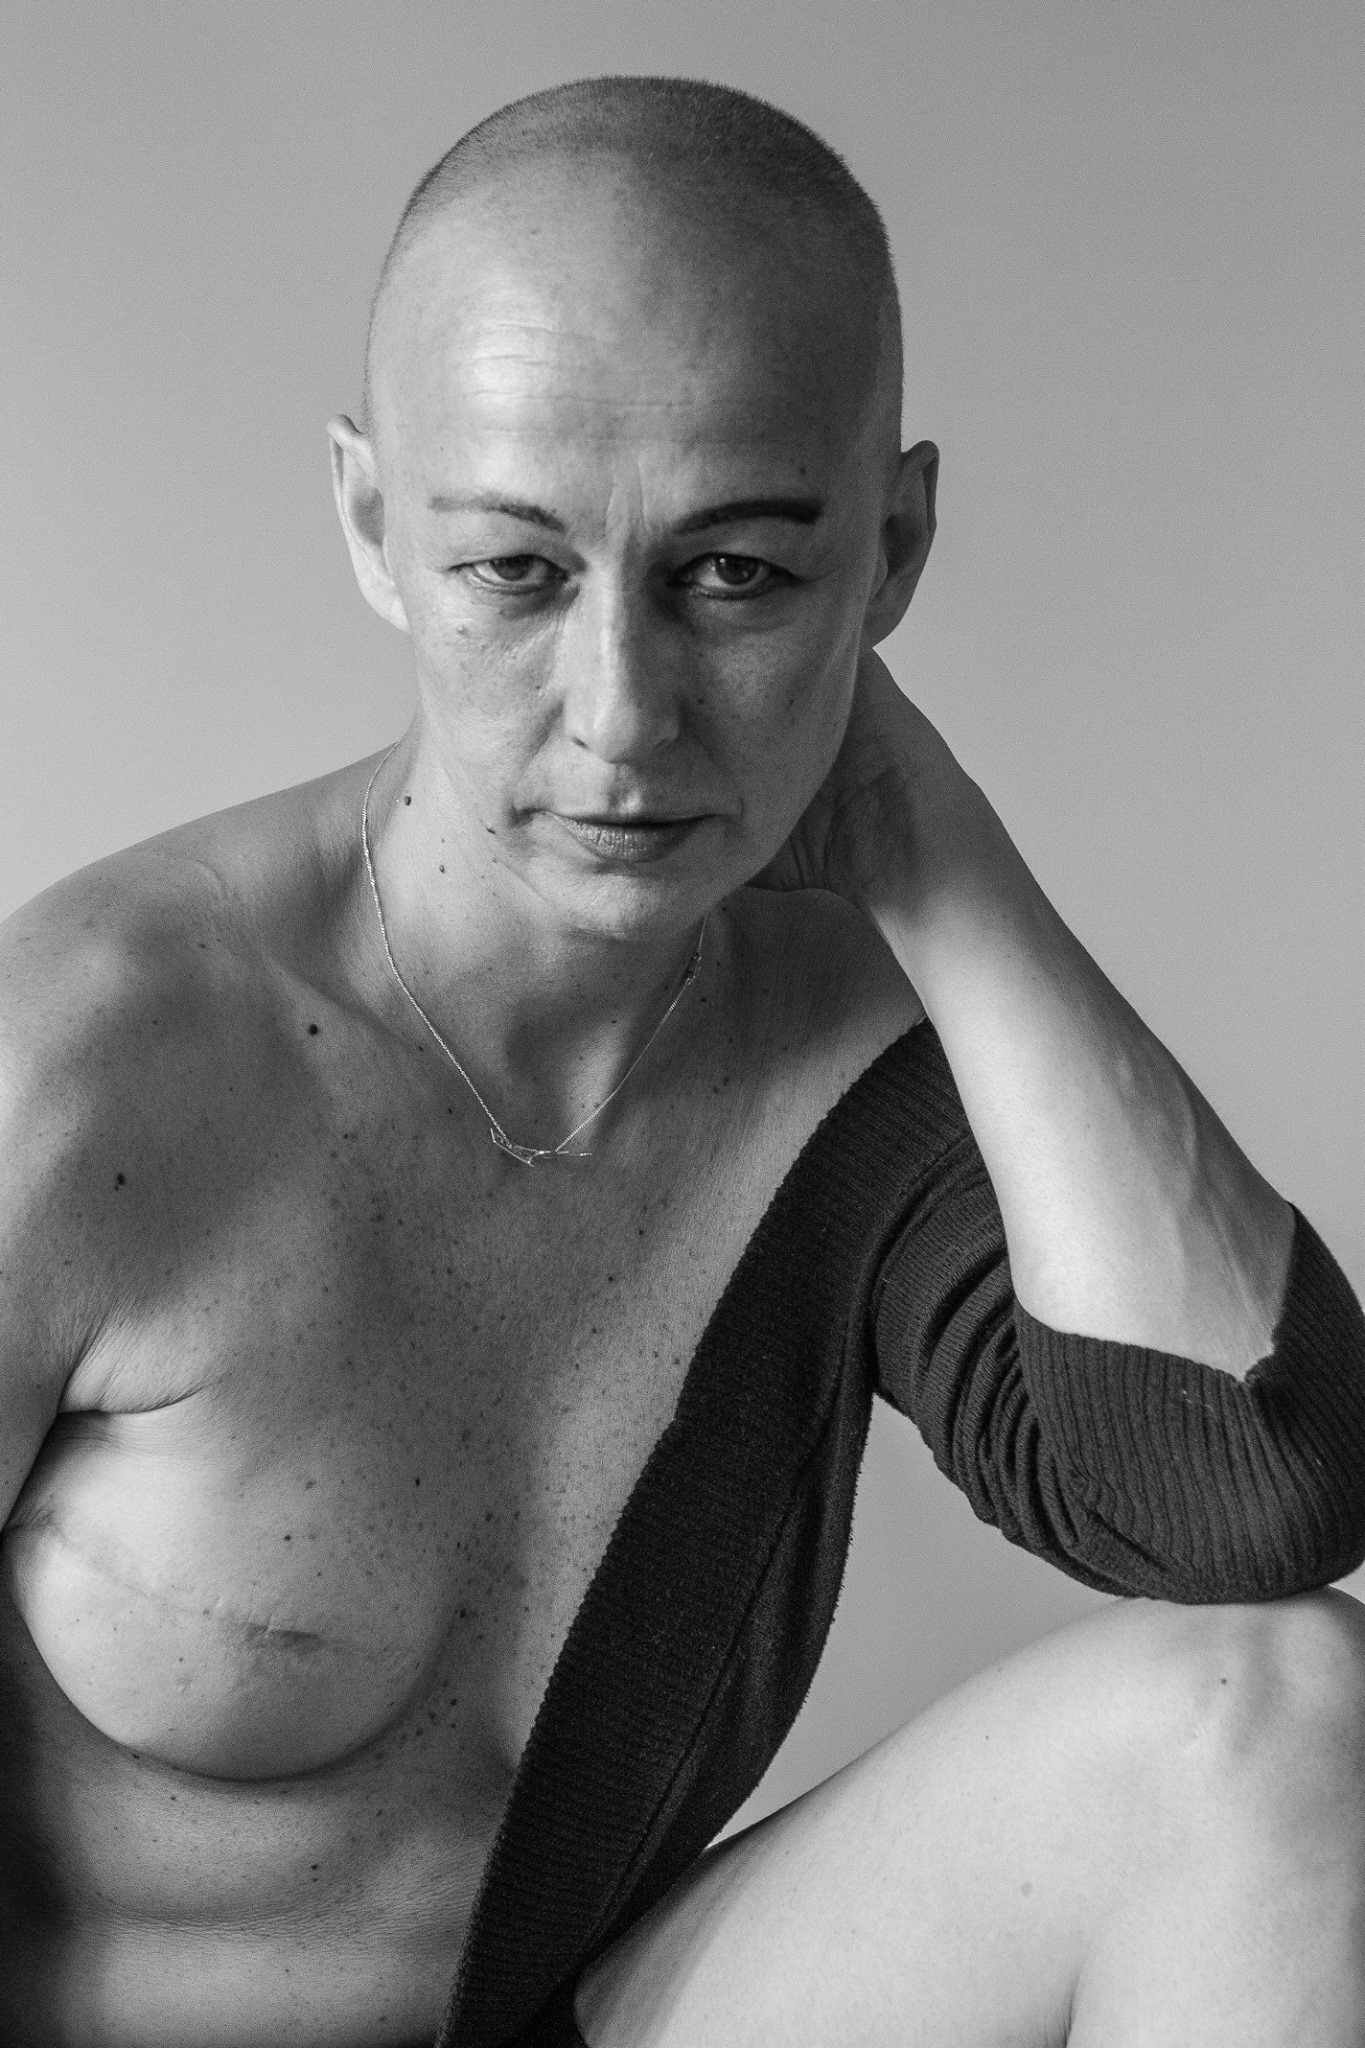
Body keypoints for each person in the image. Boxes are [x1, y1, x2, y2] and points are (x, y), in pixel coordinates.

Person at [1, 72, 1363, 2048]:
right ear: (374, 525)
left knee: (1279, 1723)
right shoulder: (92, 1066)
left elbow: (1251, 1499)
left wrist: (932, 858)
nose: (623, 714)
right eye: (515, 570)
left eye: (736, 574)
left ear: (890, 547)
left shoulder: (846, 1056)